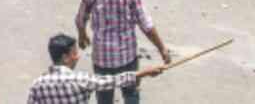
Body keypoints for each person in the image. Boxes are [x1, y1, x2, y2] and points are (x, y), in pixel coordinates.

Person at [75, 0, 171, 103]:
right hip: (127, 56)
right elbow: (146, 25)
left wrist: (82, 35)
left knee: (104, 98)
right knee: (131, 95)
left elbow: (80, 19)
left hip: (102, 57)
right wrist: (162, 49)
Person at [26, 32, 164, 103]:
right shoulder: (79, 79)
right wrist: (142, 73)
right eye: (74, 53)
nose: (77, 57)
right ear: (65, 57)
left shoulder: (37, 85)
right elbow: (113, 80)